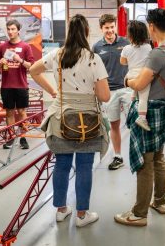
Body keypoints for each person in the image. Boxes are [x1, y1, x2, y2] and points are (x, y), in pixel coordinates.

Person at [29, 14, 110, 227]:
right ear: (85, 33)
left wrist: (54, 91)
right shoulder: (93, 58)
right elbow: (104, 97)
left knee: (62, 165)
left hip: (61, 117)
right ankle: (82, 215)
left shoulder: (57, 55)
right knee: (84, 166)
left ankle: (61, 210)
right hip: (88, 120)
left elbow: (33, 70)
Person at [114, 8, 165, 226]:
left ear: (151, 26)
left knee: (145, 163)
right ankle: (160, 202)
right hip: (164, 108)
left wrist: (127, 82)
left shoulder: (158, 53)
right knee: (158, 158)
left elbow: (140, 83)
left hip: (150, 111)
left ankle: (139, 213)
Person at [92, 14, 131, 170]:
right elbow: (94, 70)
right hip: (109, 92)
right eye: (106, 27)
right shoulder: (96, 47)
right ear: (101, 29)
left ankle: (139, 153)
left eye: (112, 27)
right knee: (114, 125)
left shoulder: (126, 43)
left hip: (128, 88)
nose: (110, 30)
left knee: (134, 124)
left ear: (116, 26)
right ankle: (118, 156)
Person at [0, 19, 34, 150]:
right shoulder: (2, 47)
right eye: (8, 29)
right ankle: (11, 138)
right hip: (7, 85)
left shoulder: (26, 47)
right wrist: (0, 63)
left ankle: (23, 138)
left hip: (21, 85)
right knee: (9, 113)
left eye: (13, 29)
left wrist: (20, 60)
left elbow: (31, 66)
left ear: (18, 30)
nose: (10, 32)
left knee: (22, 112)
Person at [120, 20, 152, 131]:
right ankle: (142, 117)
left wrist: (130, 59)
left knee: (135, 92)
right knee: (144, 97)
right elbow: (150, 61)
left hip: (131, 74)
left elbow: (122, 62)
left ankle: (133, 103)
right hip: (143, 74)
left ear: (130, 35)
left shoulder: (126, 48)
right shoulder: (148, 47)